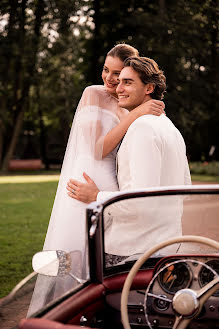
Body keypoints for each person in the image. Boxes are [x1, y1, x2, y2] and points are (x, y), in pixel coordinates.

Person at [27, 45, 165, 316]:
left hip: (110, 180)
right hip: (90, 176)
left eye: (118, 73)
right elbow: (97, 149)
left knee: (105, 251)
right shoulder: (94, 94)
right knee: (79, 250)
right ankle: (67, 313)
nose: (110, 79)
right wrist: (136, 114)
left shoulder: (129, 101)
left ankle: (100, 310)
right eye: (106, 70)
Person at [66, 56, 191, 264]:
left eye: (128, 82)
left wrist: (96, 195)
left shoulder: (142, 128)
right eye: (119, 81)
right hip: (168, 245)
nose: (118, 89)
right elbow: (184, 188)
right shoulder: (171, 128)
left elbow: (139, 203)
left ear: (149, 88)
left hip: (134, 250)